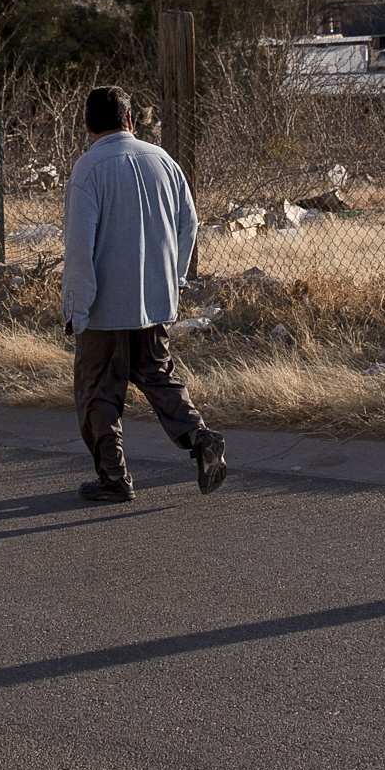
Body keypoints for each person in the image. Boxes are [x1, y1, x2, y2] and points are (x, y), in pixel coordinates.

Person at [62, 85, 227, 503]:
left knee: (98, 389)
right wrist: (171, 279)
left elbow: (79, 247)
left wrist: (76, 308)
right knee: (160, 378)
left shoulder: (88, 168)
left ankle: (114, 478)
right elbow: (188, 224)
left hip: (104, 309)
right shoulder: (164, 161)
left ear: (87, 125)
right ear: (131, 120)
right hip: (153, 303)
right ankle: (200, 437)